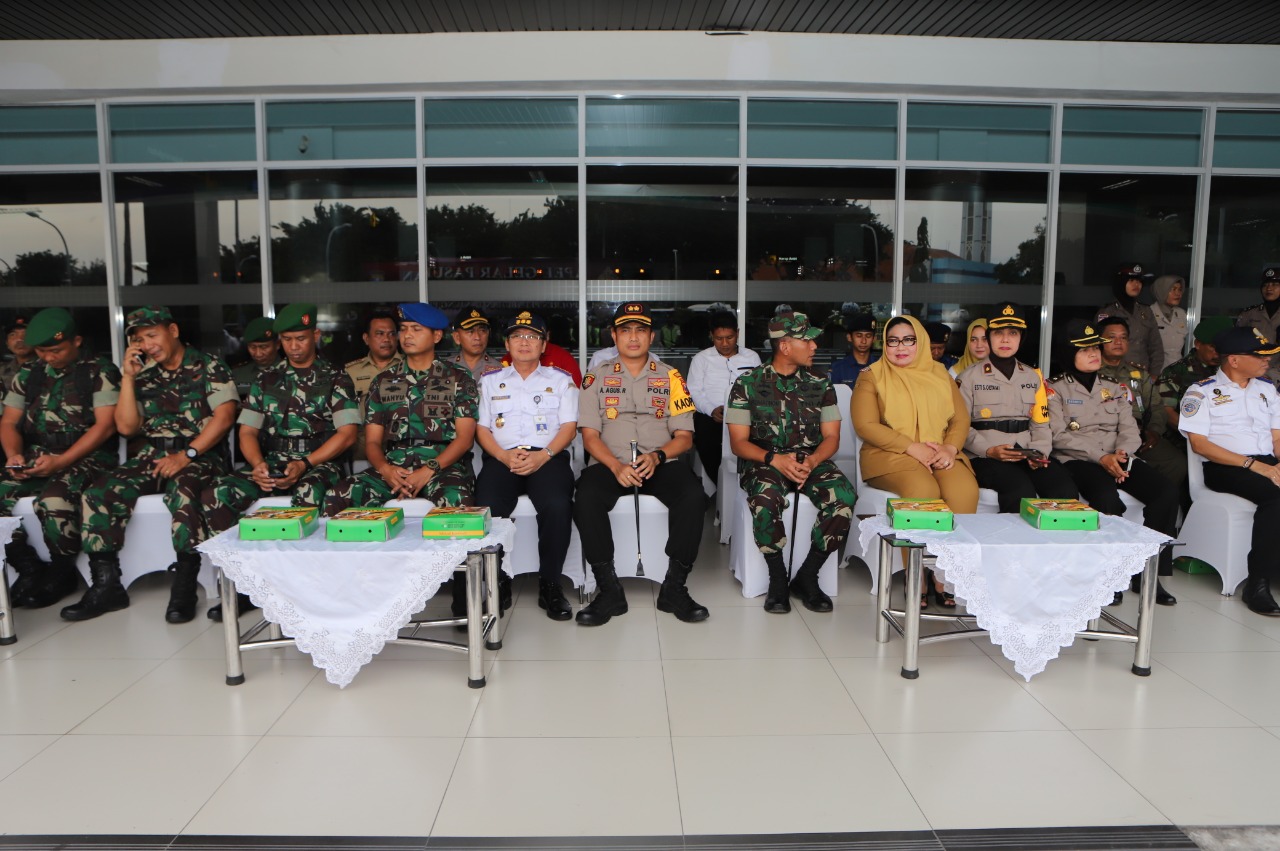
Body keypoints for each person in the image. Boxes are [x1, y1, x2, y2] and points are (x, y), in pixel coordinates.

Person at [74, 305, 238, 623]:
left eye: (152, 335)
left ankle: (185, 585)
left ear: (172, 331)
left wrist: (187, 455)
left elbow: (225, 418)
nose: (147, 345)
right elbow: (126, 427)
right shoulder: (144, 373)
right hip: (153, 455)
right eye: (140, 339)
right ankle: (107, 586)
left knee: (184, 491)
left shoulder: (208, 366)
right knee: (98, 493)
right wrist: (128, 378)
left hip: (201, 455)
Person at [197, 304, 360, 621]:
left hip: (319, 463)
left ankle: (308, 587)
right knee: (216, 495)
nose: (294, 346)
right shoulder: (266, 378)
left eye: (300, 338)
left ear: (315, 335)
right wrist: (258, 465)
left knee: (309, 495)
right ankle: (244, 586)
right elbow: (247, 432)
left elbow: (347, 435)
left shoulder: (336, 377)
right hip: (272, 460)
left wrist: (305, 464)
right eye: (287, 340)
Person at [573, 301, 708, 626]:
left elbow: (684, 437)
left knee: (694, 496)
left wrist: (657, 456)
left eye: (640, 330)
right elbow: (589, 437)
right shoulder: (594, 378)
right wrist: (615, 466)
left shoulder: (672, 377)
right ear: (613, 336)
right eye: (625, 330)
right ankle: (609, 591)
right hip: (611, 465)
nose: (633, 337)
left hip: (659, 464)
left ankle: (674, 587)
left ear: (651, 336)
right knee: (585, 497)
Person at [727, 311, 854, 614]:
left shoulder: (820, 383)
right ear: (785, 346)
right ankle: (778, 578)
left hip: (811, 459)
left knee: (844, 497)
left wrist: (813, 460)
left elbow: (832, 437)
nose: (814, 347)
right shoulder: (747, 383)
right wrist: (775, 459)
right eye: (807, 341)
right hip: (764, 461)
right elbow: (738, 443)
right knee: (765, 498)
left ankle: (808, 575)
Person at [1047, 320, 1178, 606]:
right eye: (1085, 350)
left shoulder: (1114, 388)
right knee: (1106, 498)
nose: (1094, 353)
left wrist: (1122, 453)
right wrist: (1102, 458)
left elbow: (1129, 428)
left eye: (1095, 347)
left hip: (1119, 456)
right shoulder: (1054, 389)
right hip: (1080, 460)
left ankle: (1147, 573)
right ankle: (1108, 575)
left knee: (1166, 493)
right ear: (1069, 353)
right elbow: (1057, 435)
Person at [852, 315, 978, 608]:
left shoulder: (940, 373)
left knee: (964, 491)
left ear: (920, 342)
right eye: (893, 341)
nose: (900, 347)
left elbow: (960, 419)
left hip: (938, 452)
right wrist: (911, 447)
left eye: (908, 340)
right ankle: (916, 573)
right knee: (923, 491)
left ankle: (945, 572)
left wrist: (949, 448)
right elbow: (865, 425)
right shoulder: (871, 375)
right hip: (890, 455)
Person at [0, 308, 119, 609]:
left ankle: (62, 571)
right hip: (37, 455)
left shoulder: (99, 371)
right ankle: (27, 567)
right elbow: (9, 422)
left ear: (76, 341)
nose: (48, 357)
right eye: (42, 351)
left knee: (54, 499)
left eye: (56, 350)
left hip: (88, 455)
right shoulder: (29, 374)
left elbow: (105, 426)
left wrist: (62, 461)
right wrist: (14, 455)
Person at [325, 302, 476, 516]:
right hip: (394, 467)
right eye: (403, 329)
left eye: (416, 329)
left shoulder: (458, 378)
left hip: (443, 468)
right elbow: (372, 442)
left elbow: (465, 439)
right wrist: (386, 470)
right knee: (337, 496)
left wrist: (428, 469)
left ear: (436, 336)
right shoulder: (383, 381)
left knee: (458, 501)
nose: (407, 335)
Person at [474, 311, 578, 621]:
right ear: (507, 344)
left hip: (547, 457)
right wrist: (503, 456)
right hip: (502, 458)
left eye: (532, 337)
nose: (524, 342)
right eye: (517, 336)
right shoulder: (490, 382)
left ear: (544, 345)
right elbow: (482, 429)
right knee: (488, 506)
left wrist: (543, 455)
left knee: (558, 505)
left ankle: (550, 584)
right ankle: (498, 581)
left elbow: (569, 427)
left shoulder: (561, 380)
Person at [1177, 326, 1280, 616]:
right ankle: (1257, 583)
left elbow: (1277, 438)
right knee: (1275, 497)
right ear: (1234, 360)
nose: (1267, 360)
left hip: (1265, 462)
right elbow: (1200, 445)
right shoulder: (1201, 392)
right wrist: (1255, 466)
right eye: (1259, 356)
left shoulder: (1267, 389)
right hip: (1226, 467)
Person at [957, 302, 1078, 513]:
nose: (1005, 340)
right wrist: (988, 450)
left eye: (1013, 333)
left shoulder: (1032, 377)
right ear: (989, 337)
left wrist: (1039, 452)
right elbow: (960, 426)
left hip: (1027, 451)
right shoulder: (968, 378)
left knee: (1064, 489)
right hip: (985, 455)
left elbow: (1041, 423)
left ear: (1021, 337)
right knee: (1019, 491)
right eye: (998, 333)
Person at [1096, 316, 1184, 489]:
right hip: (1103, 435)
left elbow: (1156, 407)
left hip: (1139, 435)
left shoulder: (1139, 374)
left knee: (1177, 463)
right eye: (1112, 337)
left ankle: (1159, 500)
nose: (1118, 342)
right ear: (1099, 341)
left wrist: (1154, 431)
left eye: (1123, 337)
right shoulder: (1091, 373)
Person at [686, 312, 760, 490]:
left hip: (746, 416)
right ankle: (724, 489)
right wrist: (711, 410)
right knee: (706, 439)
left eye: (729, 337)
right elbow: (694, 391)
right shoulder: (701, 359)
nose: (725, 343)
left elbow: (759, 389)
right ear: (711, 336)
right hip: (712, 415)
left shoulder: (751, 357)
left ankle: (750, 483)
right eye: (719, 339)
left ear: (738, 334)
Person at [1159, 316, 1230, 449]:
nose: (1218, 353)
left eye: (1223, 348)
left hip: (1226, 439)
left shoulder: (1229, 370)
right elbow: (1166, 412)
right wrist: (1198, 435)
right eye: (1213, 347)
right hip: (1185, 441)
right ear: (1197, 344)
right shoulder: (1176, 372)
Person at [345, 307, 403, 464]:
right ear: (366, 338)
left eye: (391, 334)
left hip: (402, 447)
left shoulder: (409, 366)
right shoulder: (351, 372)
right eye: (380, 334)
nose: (386, 339)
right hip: (362, 451)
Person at [1096, 262, 1164, 377]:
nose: (1136, 284)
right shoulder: (1107, 312)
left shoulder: (1146, 311)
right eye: (1131, 280)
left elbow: (1156, 346)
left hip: (1143, 376)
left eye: (1139, 281)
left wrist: (1154, 374)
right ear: (1121, 282)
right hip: (1115, 376)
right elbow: (1098, 346)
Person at [1235, 266, 1280, 383]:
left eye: (1274, 284)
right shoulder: (1250, 313)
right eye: (1265, 285)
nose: (1269, 288)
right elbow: (1237, 344)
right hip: (1252, 372)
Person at [446, 305, 502, 382]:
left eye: (482, 331)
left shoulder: (499, 369)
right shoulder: (446, 367)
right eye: (470, 331)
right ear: (457, 337)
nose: (477, 337)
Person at [231, 316, 280, 397]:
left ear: (277, 345)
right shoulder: (238, 374)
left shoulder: (290, 373)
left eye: (264, 347)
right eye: (252, 347)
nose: (258, 354)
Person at [828, 314, 879, 388]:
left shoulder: (881, 367)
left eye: (868, 336)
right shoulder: (838, 369)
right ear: (849, 337)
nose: (863, 341)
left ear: (874, 338)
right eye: (859, 336)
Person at [1151, 274, 1189, 372]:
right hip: (1154, 372)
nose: (1178, 293)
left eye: (1180, 289)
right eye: (1173, 289)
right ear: (1162, 290)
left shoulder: (1182, 314)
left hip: (1177, 373)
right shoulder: (1149, 313)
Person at [1, 314, 35, 392]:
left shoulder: (48, 369)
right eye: (12, 335)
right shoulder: (1, 370)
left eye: (26, 334)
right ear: (7, 344)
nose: (19, 339)